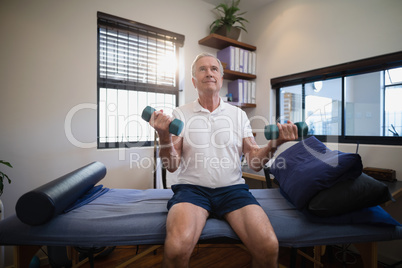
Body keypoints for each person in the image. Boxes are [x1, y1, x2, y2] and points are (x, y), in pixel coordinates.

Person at [149, 52, 298, 268]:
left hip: (233, 191)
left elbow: (255, 162)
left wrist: (274, 144)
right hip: (192, 190)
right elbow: (171, 165)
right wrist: (163, 136)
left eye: (214, 69)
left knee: (268, 247)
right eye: (202, 69)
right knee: (176, 250)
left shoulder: (238, 115)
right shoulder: (180, 114)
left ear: (221, 78)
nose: (209, 72)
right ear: (193, 81)